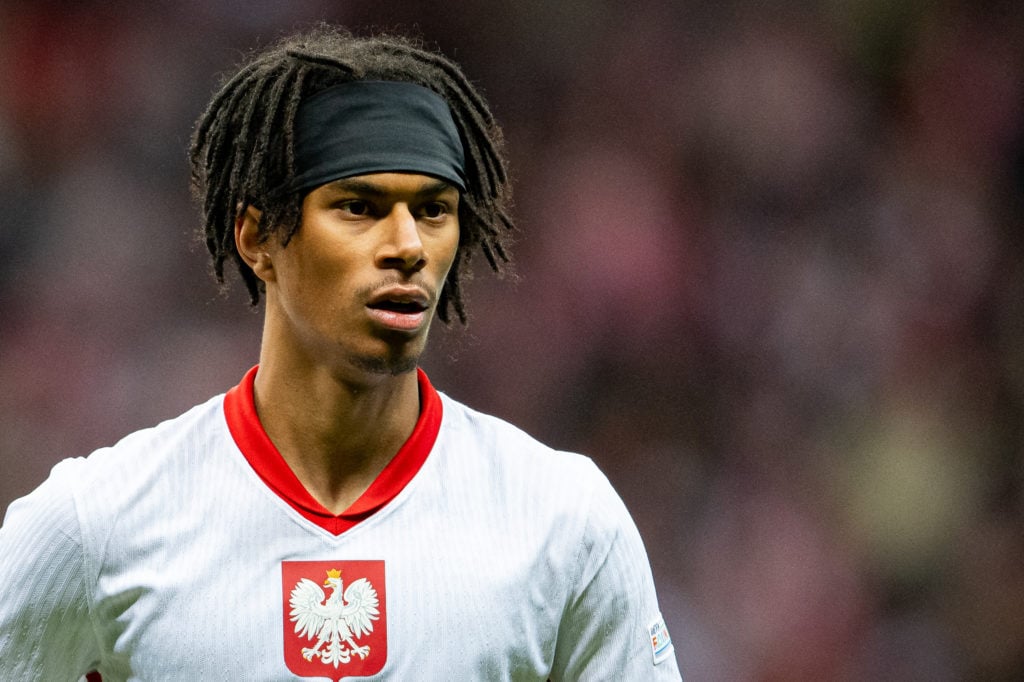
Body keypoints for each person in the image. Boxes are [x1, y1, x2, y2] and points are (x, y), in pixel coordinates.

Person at [0, 25, 681, 681]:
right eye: (359, 206)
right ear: (257, 236)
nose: (408, 244)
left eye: (434, 209)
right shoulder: (93, 527)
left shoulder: (563, 522)